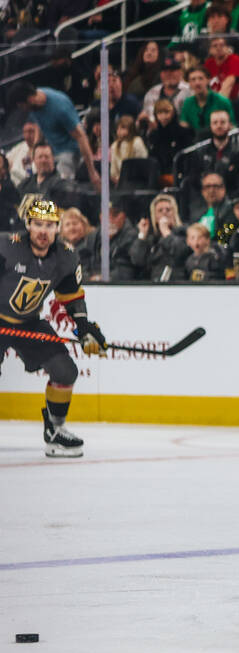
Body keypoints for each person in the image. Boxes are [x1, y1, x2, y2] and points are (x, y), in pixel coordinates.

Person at [0, 199, 106, 457]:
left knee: (65, 371)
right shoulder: (6, 247)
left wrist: (84, 329)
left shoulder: (66, 256)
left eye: (49, 225)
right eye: (37, 224)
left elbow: (70, 296)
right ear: (28, 225)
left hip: (29, 323)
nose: (42, 231)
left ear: (57, 228)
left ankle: (55, 431)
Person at [6, 82, 102, 191]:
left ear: (29, 100)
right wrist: (33, 151)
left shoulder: (60, 107)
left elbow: (81, 137)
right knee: (39, 181)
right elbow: (40, 125)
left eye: (21, 107)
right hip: (52, 151)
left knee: (59, 188)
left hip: (70, 152)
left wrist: (92, 172)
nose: (23, 110)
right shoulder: (34, 106)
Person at [131, 193, 190, 282]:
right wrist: (142, 235)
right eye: (160, 210)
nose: (164, 212)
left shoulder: (185, 232)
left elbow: (180, 252)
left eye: (168, 210)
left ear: (174, 213)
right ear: (155, 216)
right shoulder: (151, 238)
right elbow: (137, 260)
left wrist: (166, 232)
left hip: (177, 283)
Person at [179, 67, 235, 132]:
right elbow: (184, 126)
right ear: (189, 83)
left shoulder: (222, 101)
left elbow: (232, 126)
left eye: (201, 78)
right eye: (193, 80)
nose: (197, 83)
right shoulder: (187, 103)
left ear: (208, 80)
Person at [16, 144, 69, 208]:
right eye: (40, 157)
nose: (43, 160)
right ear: (34, 160)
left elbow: (59, 209)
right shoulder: (25, 184)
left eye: (47, 157)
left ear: (53, 159)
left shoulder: (62, 183)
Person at [7, 121, 42, 187]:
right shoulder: (21, 146)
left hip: (28, 186)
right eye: (25, 132)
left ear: (38, 133)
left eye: (31, 131)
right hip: (11, 183)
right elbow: (7, 160)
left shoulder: (44, 149)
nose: (27, 135)